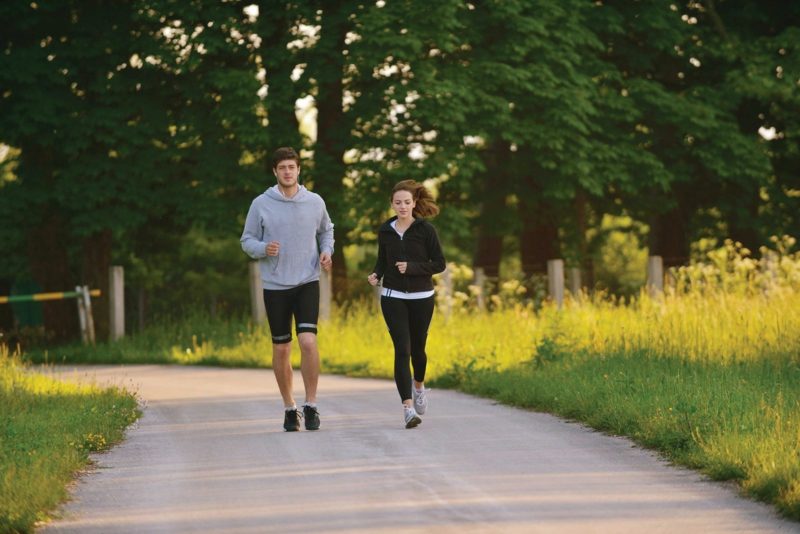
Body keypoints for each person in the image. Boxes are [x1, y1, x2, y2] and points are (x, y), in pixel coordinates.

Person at [241, 147, 334, 432]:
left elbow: (326, 229)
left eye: (292, 167)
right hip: (275, 285)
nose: (287, 172)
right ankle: (290, 408)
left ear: (299, 170)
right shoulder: (261, 203)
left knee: (307, 342)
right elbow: (247, 240)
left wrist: (327, 250)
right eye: (282, 167)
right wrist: (262, 248)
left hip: (307, 280)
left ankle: (312, 404)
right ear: (275, 171)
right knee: (282, 348)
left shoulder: (314, 201)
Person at [367, 180, 446, 428]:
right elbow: (382, 260)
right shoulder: (385, 230)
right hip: (392, 296)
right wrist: (375, 274)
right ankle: (408, 408)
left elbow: (439, 264)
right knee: (402, 349)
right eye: (398, 202)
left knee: (418, 349)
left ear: (414, 204)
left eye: (407, 202)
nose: (402, 206)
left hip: (422, 297)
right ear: (392, 204)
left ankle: (419, 386)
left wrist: (411, 268)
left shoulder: (426, 230)